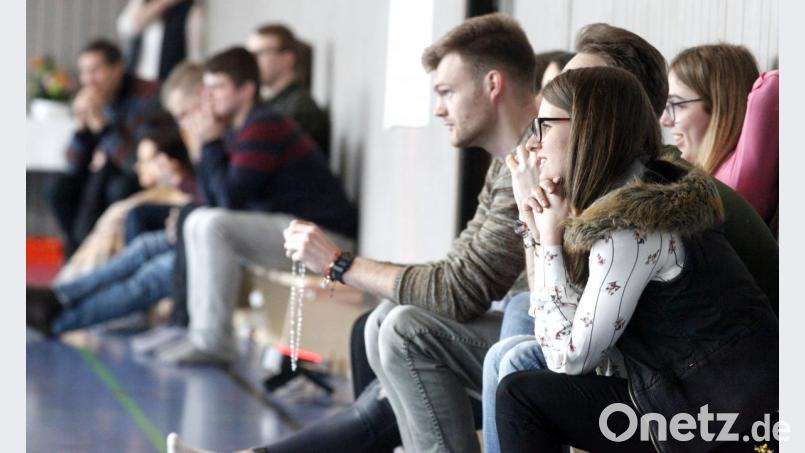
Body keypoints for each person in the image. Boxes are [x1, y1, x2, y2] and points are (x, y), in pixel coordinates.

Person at [167, 12, 537, 453]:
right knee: (381, 323)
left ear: (492, 85)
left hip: (549, 344)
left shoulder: (535, 158)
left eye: (446, 92)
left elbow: (462, 288)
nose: (438, 108)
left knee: (403, 329)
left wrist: (339, 264)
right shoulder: (506, 163)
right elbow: (461, 273)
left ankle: (212, 344)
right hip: (521, 328)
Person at [481, 23, 780, 453]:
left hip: (726, 420)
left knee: (522, 394)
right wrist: (540, 226)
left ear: (587, 129)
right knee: (522, 384)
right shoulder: (635, 190)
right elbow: (571, 332)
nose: (534, 144)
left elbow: (568, 358)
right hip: (690, 395)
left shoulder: (633, 222)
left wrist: (543, 237)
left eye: (544, 126)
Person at [152, 47, 357, 365]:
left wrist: (209, 143)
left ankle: (213, 341)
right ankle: (198, 333)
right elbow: (214, 200)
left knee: (210, 224)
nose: (209, 98)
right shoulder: (239, 129)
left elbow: (229, 201)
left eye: (218, 87)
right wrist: (209, 145)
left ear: (246, 90)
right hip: (290, 230)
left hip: (324, 239)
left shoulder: (265, 126)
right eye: (207, 89)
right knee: (198, 220)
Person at [27, 127, 195, 337]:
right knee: (144, 245)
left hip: (206, 232)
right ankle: (59, 296)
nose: (138, 167)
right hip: (193, 226)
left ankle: (58, 319)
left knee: (149, 275)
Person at [53, 112, 196, 284]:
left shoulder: (166, 201)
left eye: (145, 161)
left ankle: (65, 292)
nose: (137, 167)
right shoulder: (144, 199)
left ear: (168, 161)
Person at [49, 39, 161, 254]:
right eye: (84, 72)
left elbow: (135, 162)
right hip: (102, 172)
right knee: (58, 188)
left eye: (95, 71)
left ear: (118, 68)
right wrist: (81, 129)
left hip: (135, 174)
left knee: (116, 187)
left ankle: (90, 254)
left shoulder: (146, 96)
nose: (89, 80)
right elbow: (72, 165)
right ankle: (79, 253)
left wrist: (102, 128)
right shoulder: (92, 98)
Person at [661, 44, 778, 227]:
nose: (664, 120)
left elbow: (773, 85)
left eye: (678, 105)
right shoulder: (714, 179)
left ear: (720, 108)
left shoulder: (734, 182)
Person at [246, 24, 330, 155]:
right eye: (249, 55)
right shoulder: (272, 104)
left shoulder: (298, 108)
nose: (252, 62)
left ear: (287, 59)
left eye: (259, 53)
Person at [117, 0, 204, 82]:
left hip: (167, 79)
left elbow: (195, 56)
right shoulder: (142, 3)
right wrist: (163, 3)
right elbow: (128, 27)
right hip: (135, 79)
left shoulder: (191, 9)